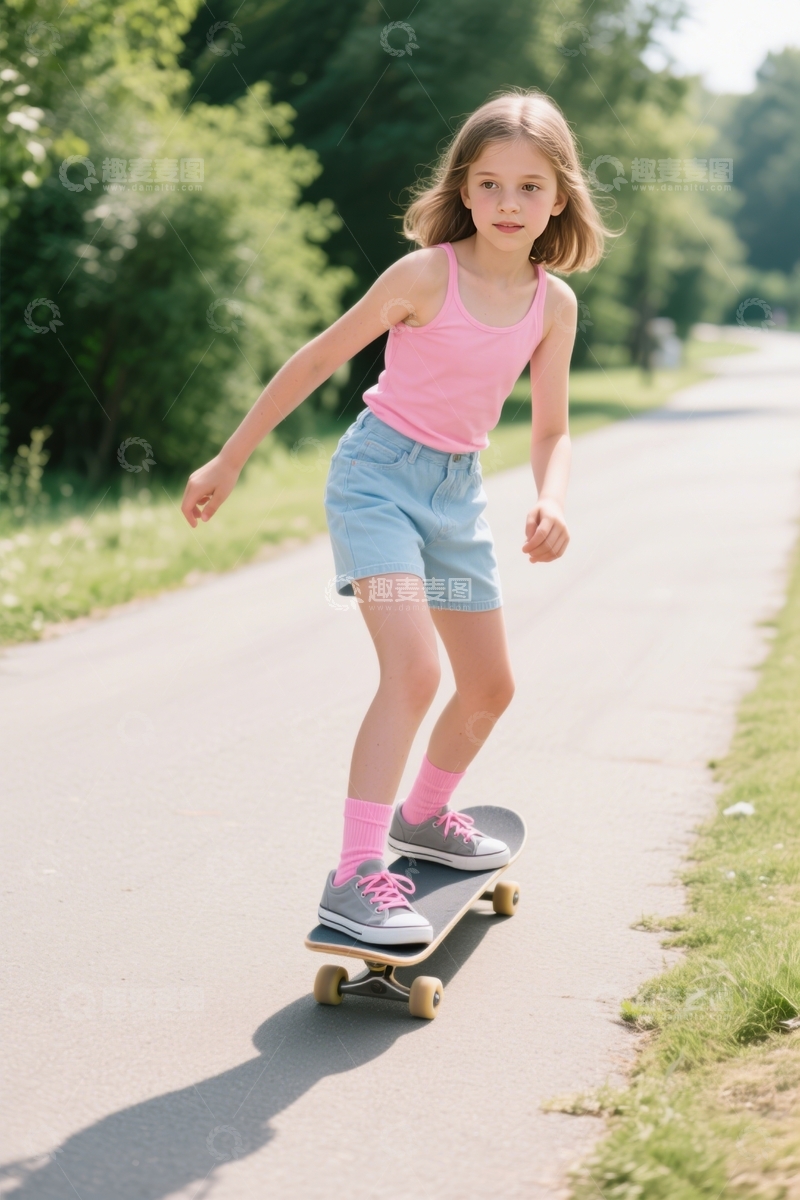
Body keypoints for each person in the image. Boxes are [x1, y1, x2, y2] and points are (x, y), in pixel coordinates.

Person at [181, 88, 610, 946]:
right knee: (414, 672)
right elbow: (315, 360)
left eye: (529, 187)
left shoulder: (552, 303)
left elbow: (553, 427)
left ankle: (425, 816)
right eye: (488, 184)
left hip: (456, 492)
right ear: (462, 188)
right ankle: (355, 873)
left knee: (490, 688)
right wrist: (230, 458)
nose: (507, 204)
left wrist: (552, 498)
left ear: (559, 196)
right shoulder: (424, 275)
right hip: (376, 480)